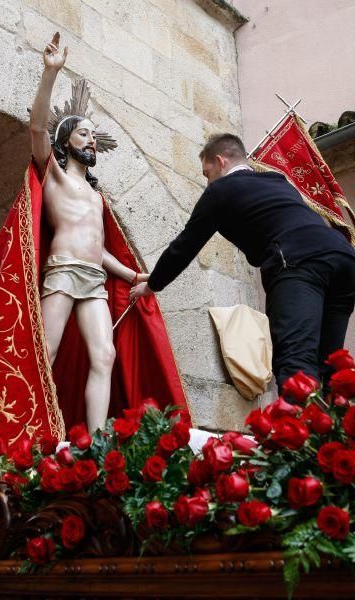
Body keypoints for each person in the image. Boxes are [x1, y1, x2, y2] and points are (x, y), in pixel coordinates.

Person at [130, 133, 355, 393]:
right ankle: (333, 432)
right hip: (344, 259)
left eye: (207, 173)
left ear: (220, 160)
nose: (207, 180)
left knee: (296, 361)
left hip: (299, 262)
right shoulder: (277, 181)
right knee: (330, 366)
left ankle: (297, 433)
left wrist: (153, 284)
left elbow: (185, 245)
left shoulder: (220, 190)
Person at [30, 33, 148, 431]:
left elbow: (97, 249)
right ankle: (32, 431)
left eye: (95, 135)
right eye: (84, 133)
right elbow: (35, 129)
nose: (92, 140)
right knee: (46, 350)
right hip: (63, 271)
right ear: (66, 140)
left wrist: (133, 276)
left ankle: (97, 445)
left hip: (93, 279)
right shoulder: (55, 178)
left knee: (105, 356)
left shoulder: (97, 197)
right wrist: (50, 74)